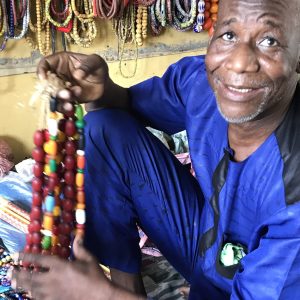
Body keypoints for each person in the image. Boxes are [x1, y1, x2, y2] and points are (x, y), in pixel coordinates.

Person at [12, 0, 300, 299]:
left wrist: (99, 295)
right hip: (207, 246)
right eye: (228, 35)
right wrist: (102, 88)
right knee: (104, 128)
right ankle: (128, 288)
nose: (239, 62)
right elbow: (124, 107)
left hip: (254, 279)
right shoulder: (203, 83)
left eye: (270, 41)